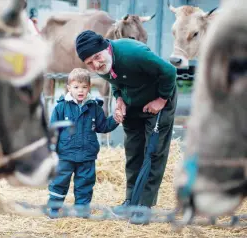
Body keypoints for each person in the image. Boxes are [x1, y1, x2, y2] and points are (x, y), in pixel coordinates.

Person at [75, 30, 177, 211]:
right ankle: (131, 200)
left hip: (158, 100)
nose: (96, 64)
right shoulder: (101, 65)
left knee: (153, 153)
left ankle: (144, 205)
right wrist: (120, 100)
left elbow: (169, 71)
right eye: (89, 63)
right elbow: (116, 83)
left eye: (97, 57)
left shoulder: (134, 53)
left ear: (106, 47)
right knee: (133, 152)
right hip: (132, 103)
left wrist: (161, 100)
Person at [48, 68, 119, 218]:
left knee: (85, 184)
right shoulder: (61, 107)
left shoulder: (94, 108)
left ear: (89, 87)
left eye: (84, 87)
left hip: (87, 156)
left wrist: (115, 119)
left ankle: (81, 211)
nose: (80, 90)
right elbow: (53, 130)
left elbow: (103, 126)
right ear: (69, 88)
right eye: (76, 87)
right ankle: (54, 209)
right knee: (59, 182)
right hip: (65, 155)